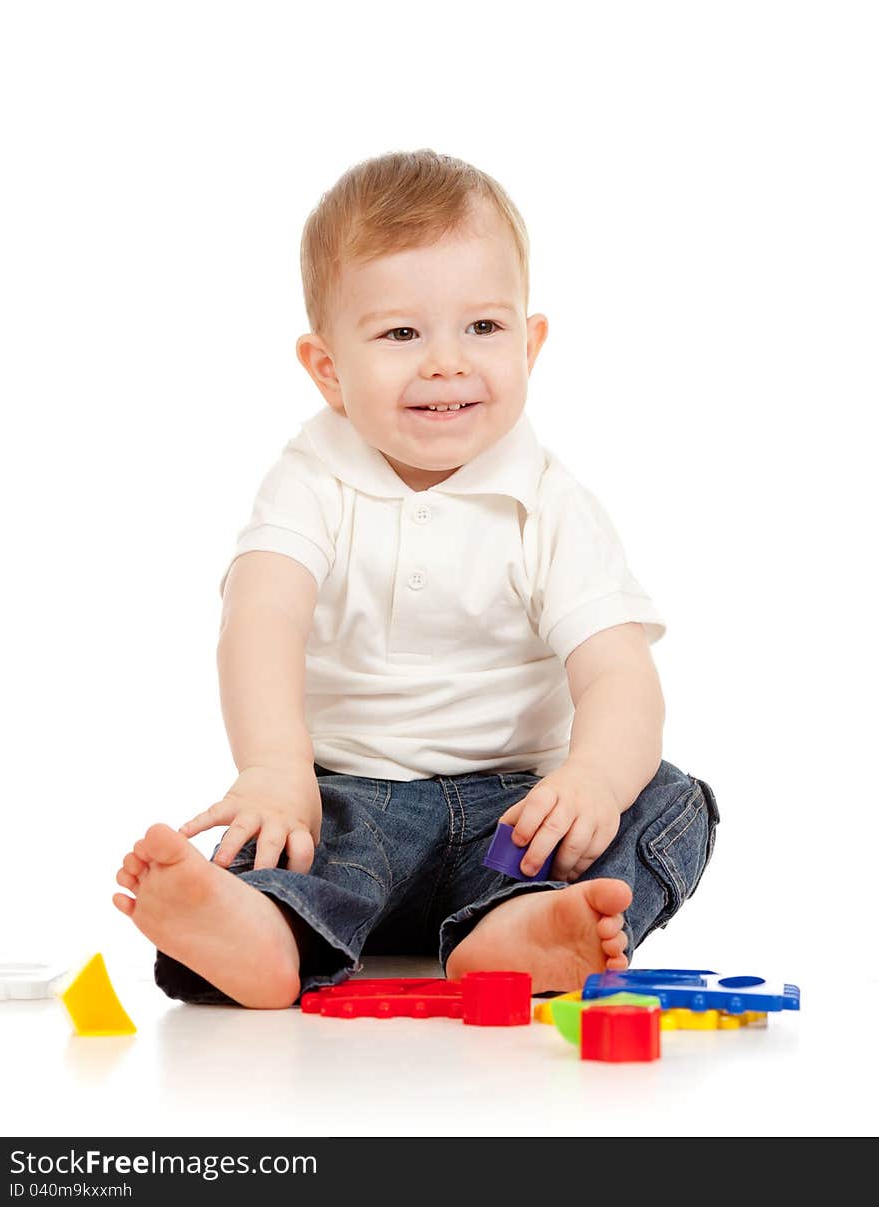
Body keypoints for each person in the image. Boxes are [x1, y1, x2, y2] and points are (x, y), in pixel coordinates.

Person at [112, 149, 719, 1009]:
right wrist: (277, 768)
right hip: (356, 801)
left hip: (521, 815)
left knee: (671, 799)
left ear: (531, 341)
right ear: (327, 368)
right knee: (280, 829)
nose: (446, 362)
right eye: (402, 333)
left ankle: (519, 930)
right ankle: (261, 932)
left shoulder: (550, 501)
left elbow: (619, 671)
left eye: (483, 327)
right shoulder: (312, 478)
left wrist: (590, 780)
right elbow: (262, 618)